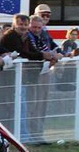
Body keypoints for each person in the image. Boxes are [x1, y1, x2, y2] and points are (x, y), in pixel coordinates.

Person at [19, 12, 61, 143]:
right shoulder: (28, 36)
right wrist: (47, 55)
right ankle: (32, 135)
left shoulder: (43, 34)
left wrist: (58, 54)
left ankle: (38, 133)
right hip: (32, 74)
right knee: (32, 105)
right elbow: (36, 53)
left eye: (39, 27)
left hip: (44, 71)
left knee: (42, 104)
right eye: (34, 27)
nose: (36, 30)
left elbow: (54, 47)